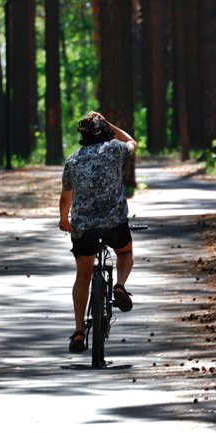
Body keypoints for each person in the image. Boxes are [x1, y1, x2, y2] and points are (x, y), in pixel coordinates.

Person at [58, 111, 138, 354]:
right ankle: (120, 287)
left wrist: (64, 220)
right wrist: (109, 123)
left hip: (84, 228)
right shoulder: (115, 149)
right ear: (104, 131)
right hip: (114, 223)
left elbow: (65, 198)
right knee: (124, 253)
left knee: (83, 275)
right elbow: (132, 142)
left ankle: (79, 331)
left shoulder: (72, 161)